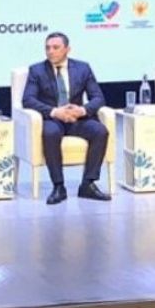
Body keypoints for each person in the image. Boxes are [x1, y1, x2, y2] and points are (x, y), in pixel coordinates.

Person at [21, 32, 111, 204]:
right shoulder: (36, 70)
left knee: (100, 131)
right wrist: (55, 112)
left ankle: (88, 184)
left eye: (55, 47)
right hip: (52, 119)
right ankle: (58, 186)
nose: (50, 51)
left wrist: (82, 110)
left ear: (67, 49)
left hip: (76, 118)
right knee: (50, 133)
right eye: (47, 48)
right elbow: (28, 100)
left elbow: (98, 98)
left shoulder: (83, 68)